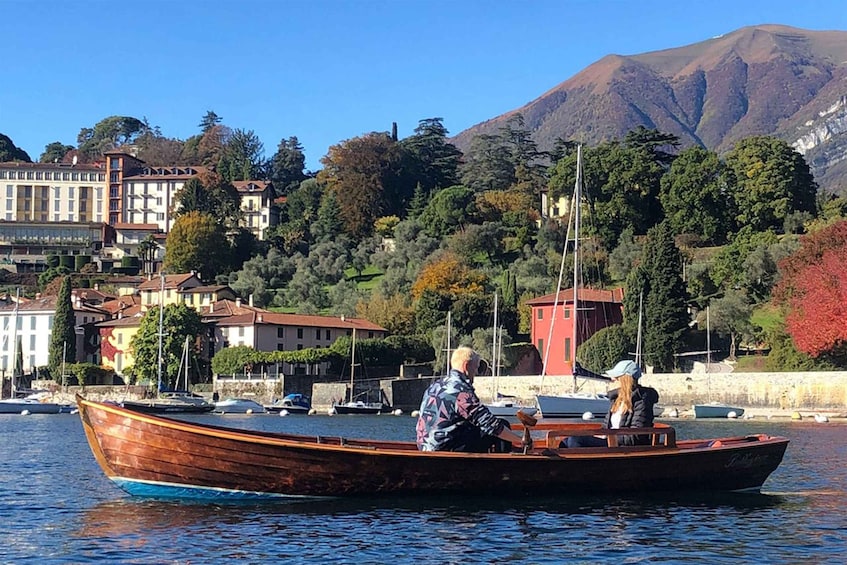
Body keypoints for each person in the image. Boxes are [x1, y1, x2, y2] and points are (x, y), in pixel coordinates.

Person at [416, 346, 529, 453]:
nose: (476, 373)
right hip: (446, 449)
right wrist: (521, 440)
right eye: (476, 368)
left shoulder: (435, 386)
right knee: (502, 424)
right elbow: (490, 424)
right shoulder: (461, 391)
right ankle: (503, 470)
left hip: (425, 446)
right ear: (466, 366)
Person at [565, 360, 660, 448]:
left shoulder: (642, 401)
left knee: (576, 440)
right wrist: (600, 434)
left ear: (625, 380)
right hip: (609, 440)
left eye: (616, 377)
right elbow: (606, 426)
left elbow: (636, 436)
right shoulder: (616, 400)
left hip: (622, 446)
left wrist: (610, 436)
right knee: (566, 441)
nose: (612, 379)